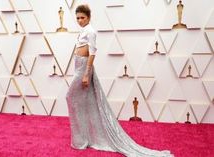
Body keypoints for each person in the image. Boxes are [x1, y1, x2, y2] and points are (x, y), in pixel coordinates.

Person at [66, 4, 174, 157]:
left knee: (70, 97)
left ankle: (82, 139)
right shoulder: (83, 31)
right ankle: (83, 139)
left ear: (89, 17)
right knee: (83, 101)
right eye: (77, 18)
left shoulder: (91, 31)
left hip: (84, 68)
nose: (80, 20)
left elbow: (92, 53)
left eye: (82, 17)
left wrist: (86, 73)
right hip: (79, 66)